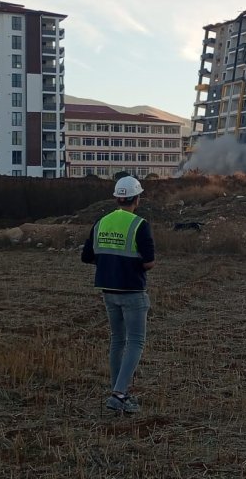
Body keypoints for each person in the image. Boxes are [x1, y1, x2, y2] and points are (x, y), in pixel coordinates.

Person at [81, 175, 155, 413]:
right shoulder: (140, 225)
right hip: (133, 291)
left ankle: (119, 392)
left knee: (117, 340)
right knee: (135, 342)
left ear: (117, 198)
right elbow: (149, 262)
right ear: (137, 199)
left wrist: (110, 264)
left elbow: (87, 256)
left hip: (108, 291)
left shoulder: (101, 222)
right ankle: (119, 394)